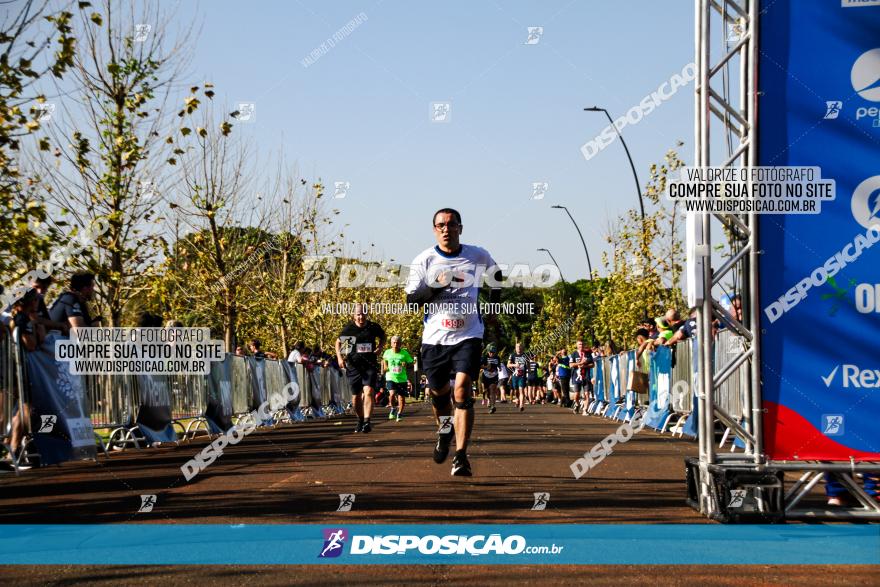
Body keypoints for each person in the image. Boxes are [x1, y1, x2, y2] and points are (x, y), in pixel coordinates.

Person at [404, 208, 501, 476]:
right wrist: (433, 286)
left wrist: (492, 307)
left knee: (462, 388)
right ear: (435, 229)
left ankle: (461, 455)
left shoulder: (477, 255)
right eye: (440, 225)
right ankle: (444, 431)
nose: (446, 229)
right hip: (434, 338)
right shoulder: (424, 260)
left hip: (468, 334)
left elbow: (497, 277)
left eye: (451, 224)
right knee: (439, 396)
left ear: (460, 227)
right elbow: (411, 302)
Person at [336, 304, 385, 433]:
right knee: (356, 397)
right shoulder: (349, 329)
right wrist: (340, 358)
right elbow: (338, 343)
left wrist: (380, 347)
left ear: (366, 314)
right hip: (354, 366)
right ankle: (360, 419)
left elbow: (383, 336)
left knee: (368, 391)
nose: (361, 316)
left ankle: (367, 422)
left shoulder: (373, 327)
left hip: (369, 365)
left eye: (363, 314)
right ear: (354, 316)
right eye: (358, 314)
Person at [382, 335, 414, 421]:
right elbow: (384, 362)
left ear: (400, 344)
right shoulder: (387, 352)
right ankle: (393, 408)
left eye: (398, 343)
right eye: (394, 343)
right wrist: (385, 367)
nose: (396, 344)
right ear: (391, 344)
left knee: (401, 398)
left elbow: (411, 362)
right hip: (391, 377)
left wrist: (406, 364)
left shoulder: (404, 353)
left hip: (402, 378)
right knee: (392, 394)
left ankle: (399, 413)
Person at [569, 339, 595, 414]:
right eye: (580, 344)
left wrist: (585, 365)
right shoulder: (574, 354)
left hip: (586, 376)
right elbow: (571, 365)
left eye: (582, 344)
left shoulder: (587, 354)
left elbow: (593, 364)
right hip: (576, 376)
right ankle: (577, 404)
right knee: (576, 394)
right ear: (577, 345)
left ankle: (585, 410)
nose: (581, 346)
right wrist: (580, 363)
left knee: (587, 393)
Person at [479, 343, 501, 414]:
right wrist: (486, 367)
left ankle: (493, 406)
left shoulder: (497, 358)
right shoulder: (485, 357)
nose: (492, 354)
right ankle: (488, 399)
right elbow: (480, 366)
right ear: (488, 351)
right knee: (486, 391)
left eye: (493, 352)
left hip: (494, 376)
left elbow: (499, 365)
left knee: (492, 390)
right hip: (485, 376)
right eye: (490, 352)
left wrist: (499, 368)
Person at [507, 342, 528, 412]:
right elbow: (508, 365)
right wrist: (514, 365)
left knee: (521, 390)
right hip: (514, 375)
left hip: (522, 375)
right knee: (516, 391)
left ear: (522, 348)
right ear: (515, 348)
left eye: (520, 347)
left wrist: (529, 371)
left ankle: (521, 405)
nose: (518, 348)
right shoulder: (512, 355)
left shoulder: (525, 355)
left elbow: (529, 364)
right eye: (517, 347)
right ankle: (517, 399)